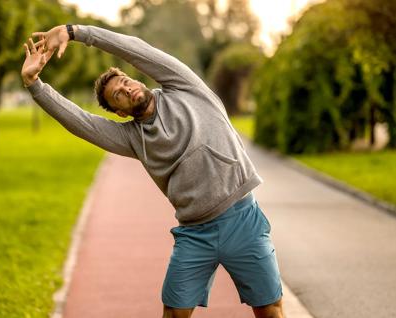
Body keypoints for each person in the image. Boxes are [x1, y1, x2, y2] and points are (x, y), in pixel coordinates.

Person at [21, 24, 284, 318]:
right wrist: (35, 85)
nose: (126, 88)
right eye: (117, 95)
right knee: (172, 314)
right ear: (119, 111)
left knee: (270, 311)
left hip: (242, 219)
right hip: (195, 233)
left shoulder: (185, 88)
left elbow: (135, 49)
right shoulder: (132, 139)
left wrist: (75, 32)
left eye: (125, 81)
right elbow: (83, 123)